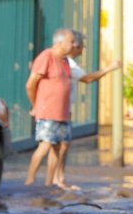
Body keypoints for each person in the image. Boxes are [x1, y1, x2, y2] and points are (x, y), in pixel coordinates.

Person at [44, 30, 122, 190]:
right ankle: (54, 180)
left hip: (62, 109)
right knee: (57, 145)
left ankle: (57, 179)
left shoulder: (67, 62)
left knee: (62, 145)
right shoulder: (68, 63)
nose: (82, 50)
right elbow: (87, 78)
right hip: (57, 110)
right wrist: (110, 68)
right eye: (81, 46)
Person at [25, 28, 75, 187]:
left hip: (62, 112)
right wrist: (36, 105)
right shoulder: (46, 57)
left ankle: (49, 183)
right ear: (60, 42)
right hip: (47, 111)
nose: (74, 45)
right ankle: (30, 181)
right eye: (71, 42)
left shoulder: (65, 61)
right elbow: (30, 84)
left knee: (58, 147)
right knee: (45, 145)